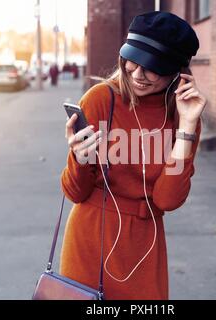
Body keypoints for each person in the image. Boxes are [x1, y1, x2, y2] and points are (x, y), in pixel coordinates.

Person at [60, 11, 207, 300]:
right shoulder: (100, 99)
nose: (138, 74)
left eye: (153, 67)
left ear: (178, 72)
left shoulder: (184, 116)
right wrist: (78, 158)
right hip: (90, 236)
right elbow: (74, 192)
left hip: (144, 242)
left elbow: (168, 200)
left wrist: (187, 126)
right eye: (132, 61)